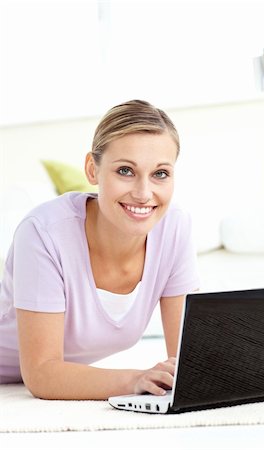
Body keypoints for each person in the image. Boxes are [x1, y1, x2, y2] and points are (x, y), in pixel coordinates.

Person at [0, 100, 199, 400]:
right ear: (93, 170)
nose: (144, 194)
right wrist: (136, 380)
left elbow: (191, 363)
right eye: (125, 171)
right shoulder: (43, 232)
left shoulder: (174, 229)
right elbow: (41, 373)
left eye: (160, 174)